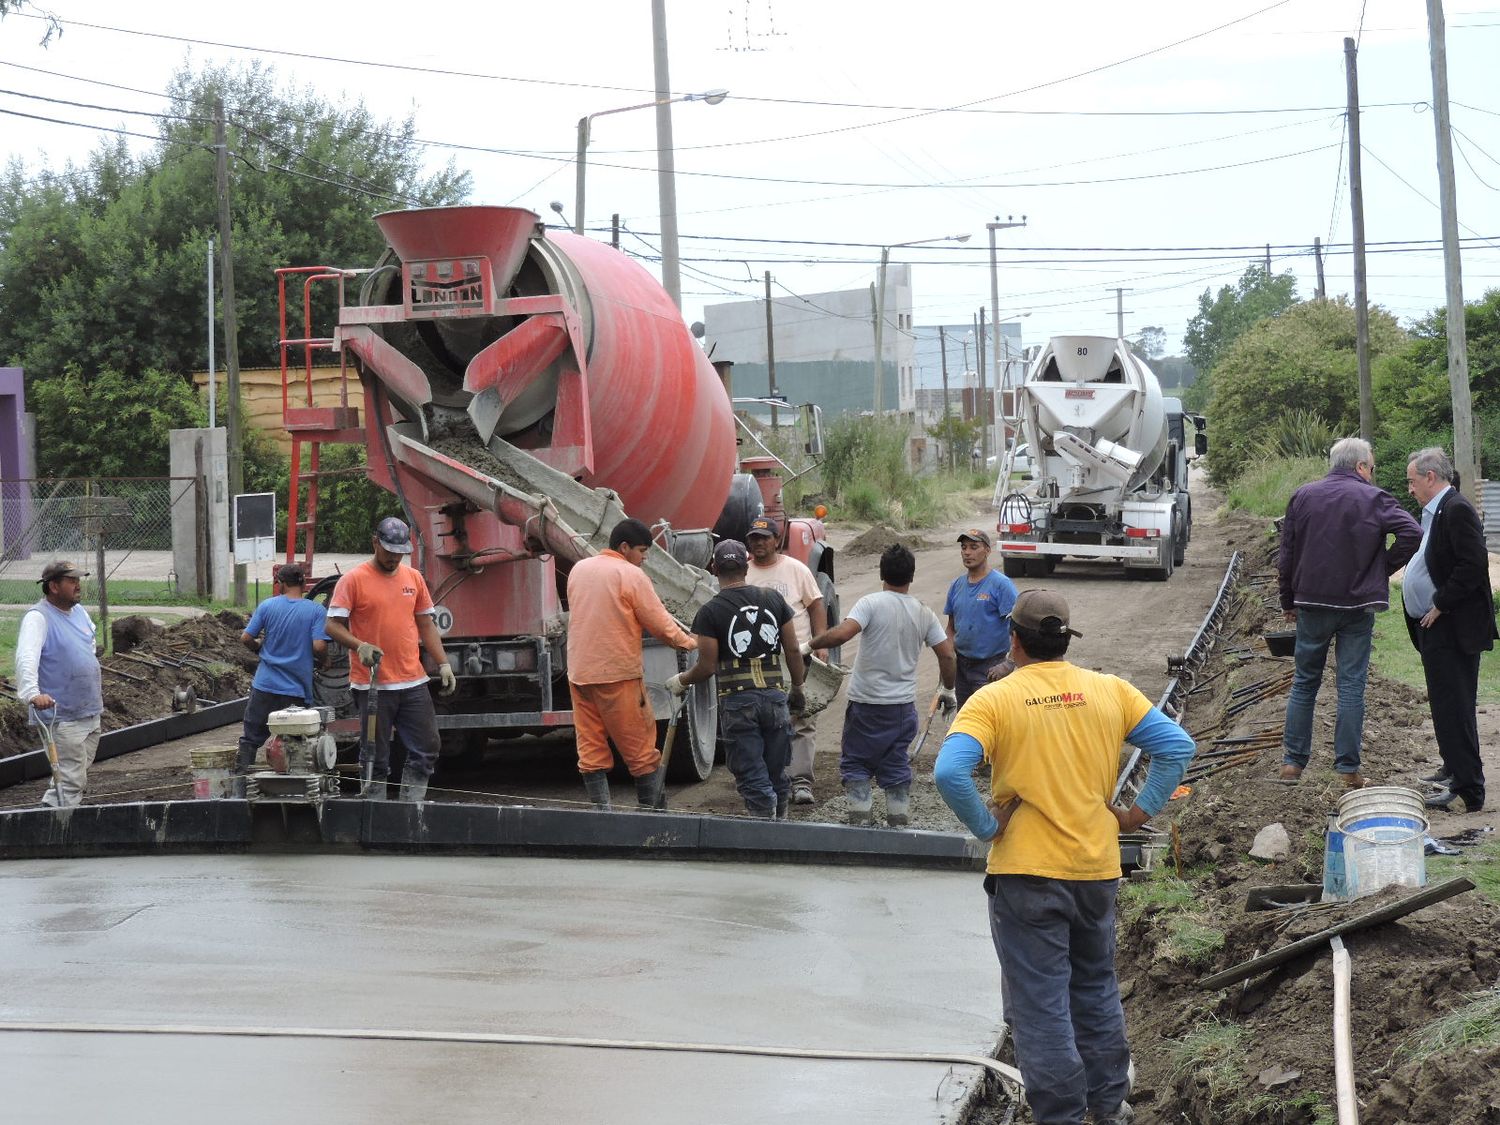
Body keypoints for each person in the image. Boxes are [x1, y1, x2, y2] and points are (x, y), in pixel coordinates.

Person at [933, 589, 1195, 1125]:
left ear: (1014, 639)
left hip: (1026, 875)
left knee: (1039, 1003)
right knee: (1095, 987)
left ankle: (1061, 1117)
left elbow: (948, 772)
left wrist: (987, 826)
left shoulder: (995, 699)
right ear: (1064, 639)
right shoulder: (1109, 691)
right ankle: (1108, 1106)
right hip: (1095, 870)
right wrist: (1135, 814)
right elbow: (1176, 747)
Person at [1277, 437, 1421, 789]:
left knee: (1304, 683)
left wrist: (1287, 601)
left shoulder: (1303, 496)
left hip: (1312, 602)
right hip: (1357, 606)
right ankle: (1348, 768)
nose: (1372, 474)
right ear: (1360, 467)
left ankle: (1292, 765)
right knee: (1351, 685)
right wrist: (1380, 570)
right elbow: (1413, 533)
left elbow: (1287, 553)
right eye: (1371, 468)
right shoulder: (1375, 498)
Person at [807, 544, 957, 827]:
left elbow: (841, 635)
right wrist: (947, 689)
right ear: (911, 577)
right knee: (895, 763)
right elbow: (947, 654)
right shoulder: (923, 612)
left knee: (856, 763)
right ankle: (898, 823)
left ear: (881, 574)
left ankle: (860, 821)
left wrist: (810, 644)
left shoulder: (870, 603)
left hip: (865, 705)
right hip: (901, 709)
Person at [566, 517, 698, 811]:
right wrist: (691, 642)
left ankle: (602, 817)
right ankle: (651, 816)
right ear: (624, 548)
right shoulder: (630, 575)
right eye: (641, 551)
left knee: (590, 749)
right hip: (618, 675)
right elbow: (660, 624)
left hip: (580, 675)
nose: (644, 559)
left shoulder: (579, 569)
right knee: (640, 750)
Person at [671, 539, 806, 819]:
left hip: (739, 702)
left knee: (751, 772)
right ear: (746, 567)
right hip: (774, 697)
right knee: (776, 770)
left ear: (714, 567)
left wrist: (682, 680)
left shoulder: (710, 612)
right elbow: (792, 649)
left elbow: (707, 666)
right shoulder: (773, 599)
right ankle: (780, 830)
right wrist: (798, 687)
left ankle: (762, 834)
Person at [324, 517, 456, 803]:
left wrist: (442, 662)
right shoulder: (354, 580)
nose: (395, 558)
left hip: (412, 681)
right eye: (388, 552)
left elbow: (425, 624)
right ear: (375, 542)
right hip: (372, 685)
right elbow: (332, 626)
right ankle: (375, 809)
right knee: (374, 753)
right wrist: (360, 645)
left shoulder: (413, 578)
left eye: (399, 553)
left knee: (428, 745)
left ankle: (410, 807)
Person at [1403, 448, 1494, 814]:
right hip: (1435, 626)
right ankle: (1454, 767)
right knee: (1445, 706)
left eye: (1411, 481)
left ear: (1430, 477)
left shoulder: (1456, 509)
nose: (1408, 488)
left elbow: (1473, 564)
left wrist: (1440, 603)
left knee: (1454, 707)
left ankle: (1469, 787)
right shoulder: (1436, 510)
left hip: (1452, 626)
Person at [744, 515, 827, 806]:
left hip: (798, 656)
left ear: (777, 541)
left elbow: (816, 605)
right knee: (770, 723)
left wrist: (821, 644)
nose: (758, 543)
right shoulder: (743, 573)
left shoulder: (796, 570)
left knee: (802, 719)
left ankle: (801, 782)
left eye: (764, 538)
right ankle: (774, 779)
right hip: (759, 663)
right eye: (753, 538)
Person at [16, 561, 104, 808]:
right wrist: (33, 694)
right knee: (70, 779)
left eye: (78, 580)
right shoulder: (38, 618)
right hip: (60, 714)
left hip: (88, 709)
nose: (78, 585)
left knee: (74, 775)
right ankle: (51, 823)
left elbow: (88, 645)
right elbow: (26, 657)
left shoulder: (79, 613)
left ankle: (62, 818)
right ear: (54, 586)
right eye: (72, 581)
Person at [233, 563, 331, 784]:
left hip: (264, 685)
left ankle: (239, 786)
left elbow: (246, 638)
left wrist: (260, 649)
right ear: (304, 584)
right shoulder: (316, 611)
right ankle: (295, 786)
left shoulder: (267, 606)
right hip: (295, 690)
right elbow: (318, 646)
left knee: (250, 739)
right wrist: (324, 661)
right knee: (297, 741)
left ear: (281, 584)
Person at [944, 528, 1018, 707]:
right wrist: (946, 664)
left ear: (987, 550)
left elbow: (1019, 628)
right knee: (966, 718)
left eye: (974, 547)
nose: (967, 552)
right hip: (961, 666)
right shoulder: (957, 585)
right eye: (964, 548)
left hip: (990, 668)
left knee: (991, 721)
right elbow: (951, 628)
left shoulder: (1001, 585)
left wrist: (1009, 663)